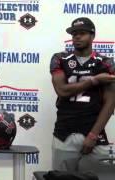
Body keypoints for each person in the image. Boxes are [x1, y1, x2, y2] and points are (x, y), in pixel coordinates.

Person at [50, 17, 115, 171]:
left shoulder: (105, 62)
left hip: (94, 132)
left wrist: (93, 135)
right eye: (74, 34)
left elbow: (110, 103)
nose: (77, 37)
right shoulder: (60, 58)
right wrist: (93, 81)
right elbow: (62, 91)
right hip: (64, 132)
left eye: (82, 33)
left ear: (92, 36)